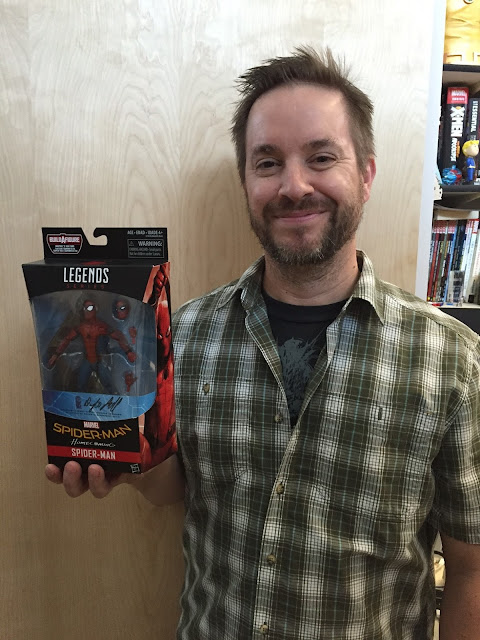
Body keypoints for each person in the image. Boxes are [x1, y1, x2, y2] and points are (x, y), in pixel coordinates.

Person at [45, 47, 480, 640]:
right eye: (268, 162)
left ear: (366, 174)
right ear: (247, 181)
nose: (293, 186)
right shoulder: (183, 336)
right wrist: (132, 465)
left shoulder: (453, 361)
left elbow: (471, 568)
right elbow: (178, 487)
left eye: (321, 157)